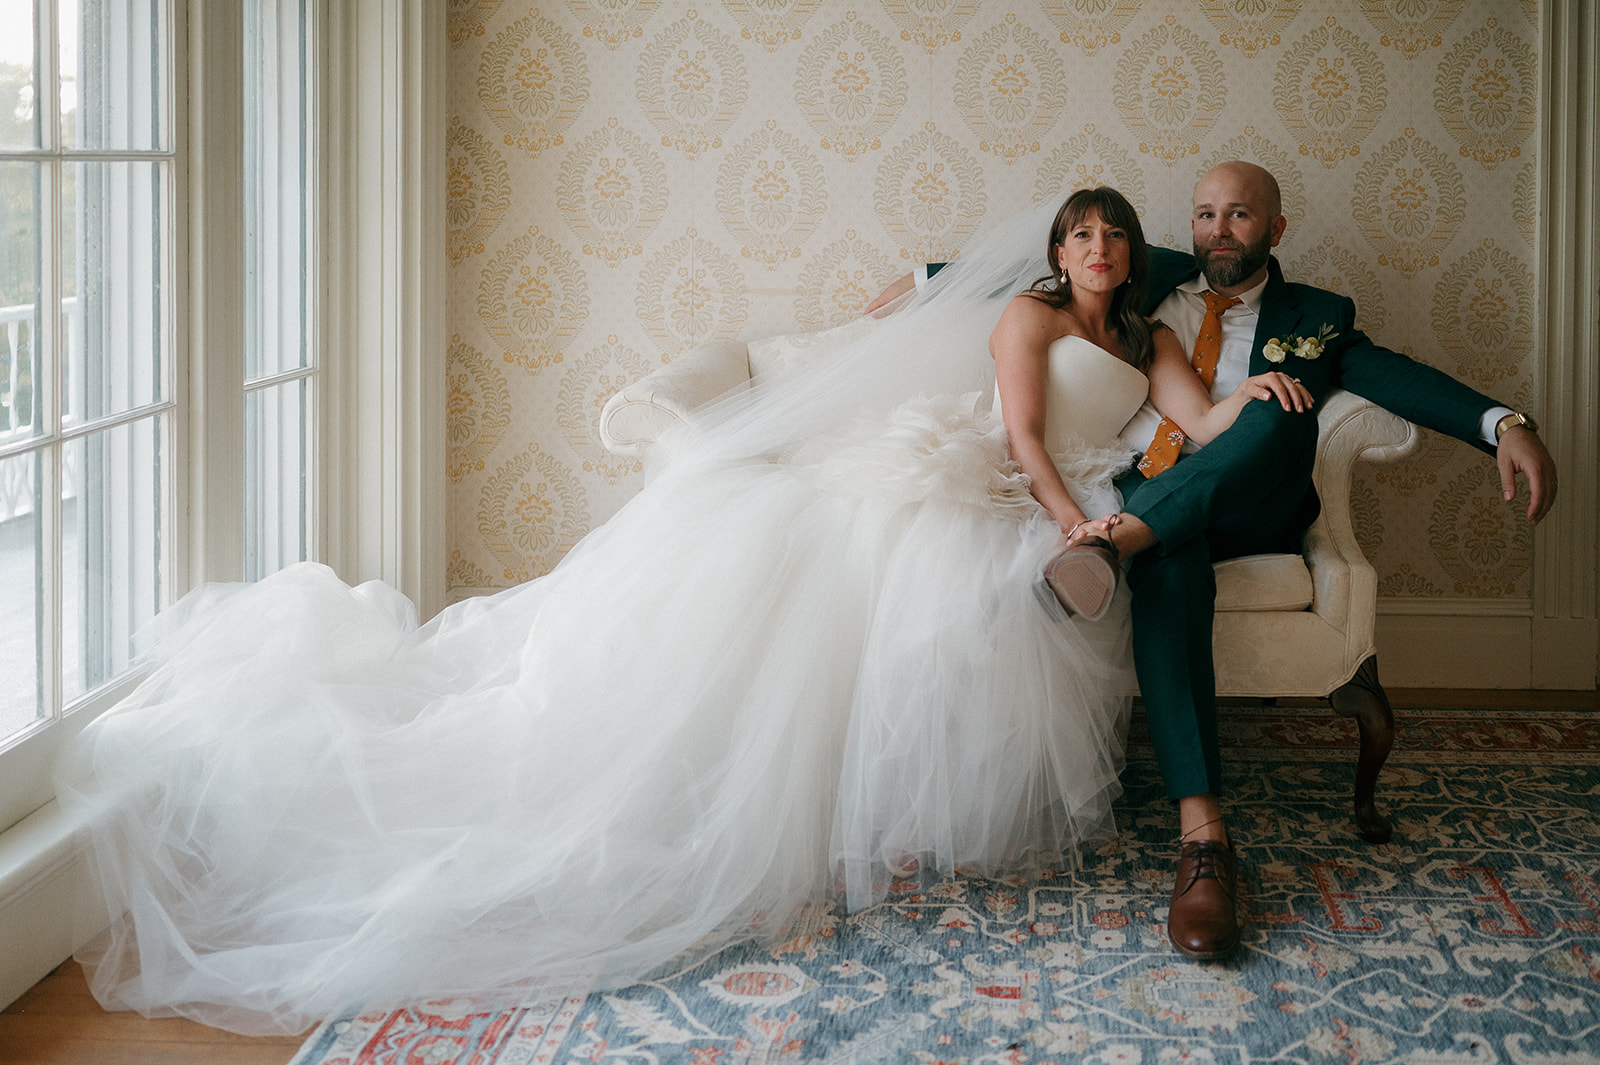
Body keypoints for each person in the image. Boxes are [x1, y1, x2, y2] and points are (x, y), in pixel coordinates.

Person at [55, 187, 1308, 1037]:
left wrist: (1268, 396)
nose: (1095, 251)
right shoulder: (1025, 315)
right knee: (897, 585)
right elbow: (1027, 434)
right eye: (1079, 234)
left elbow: (1200, 426)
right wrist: (1062, 520)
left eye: (1112, 237)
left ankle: (1027, 635)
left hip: (1077, 516)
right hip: (1006, 484)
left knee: (1002, 594)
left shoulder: (1147, 339)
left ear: (1132, 257)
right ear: (1057, 249)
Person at [870, 162, 1558, 963]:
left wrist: (1502, 421)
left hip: (1239, 502)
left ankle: (1115, 541)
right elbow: (1048, 271)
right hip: (1146, 497)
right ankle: (1206, 839)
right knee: (1169, 553)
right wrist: (926, 280)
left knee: (1278, 407)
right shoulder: (1146, 276)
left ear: (1275, 228)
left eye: (1238, 216)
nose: (1217, 231)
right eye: (1204, 215)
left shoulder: (1318, 316)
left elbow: (1394, 377)